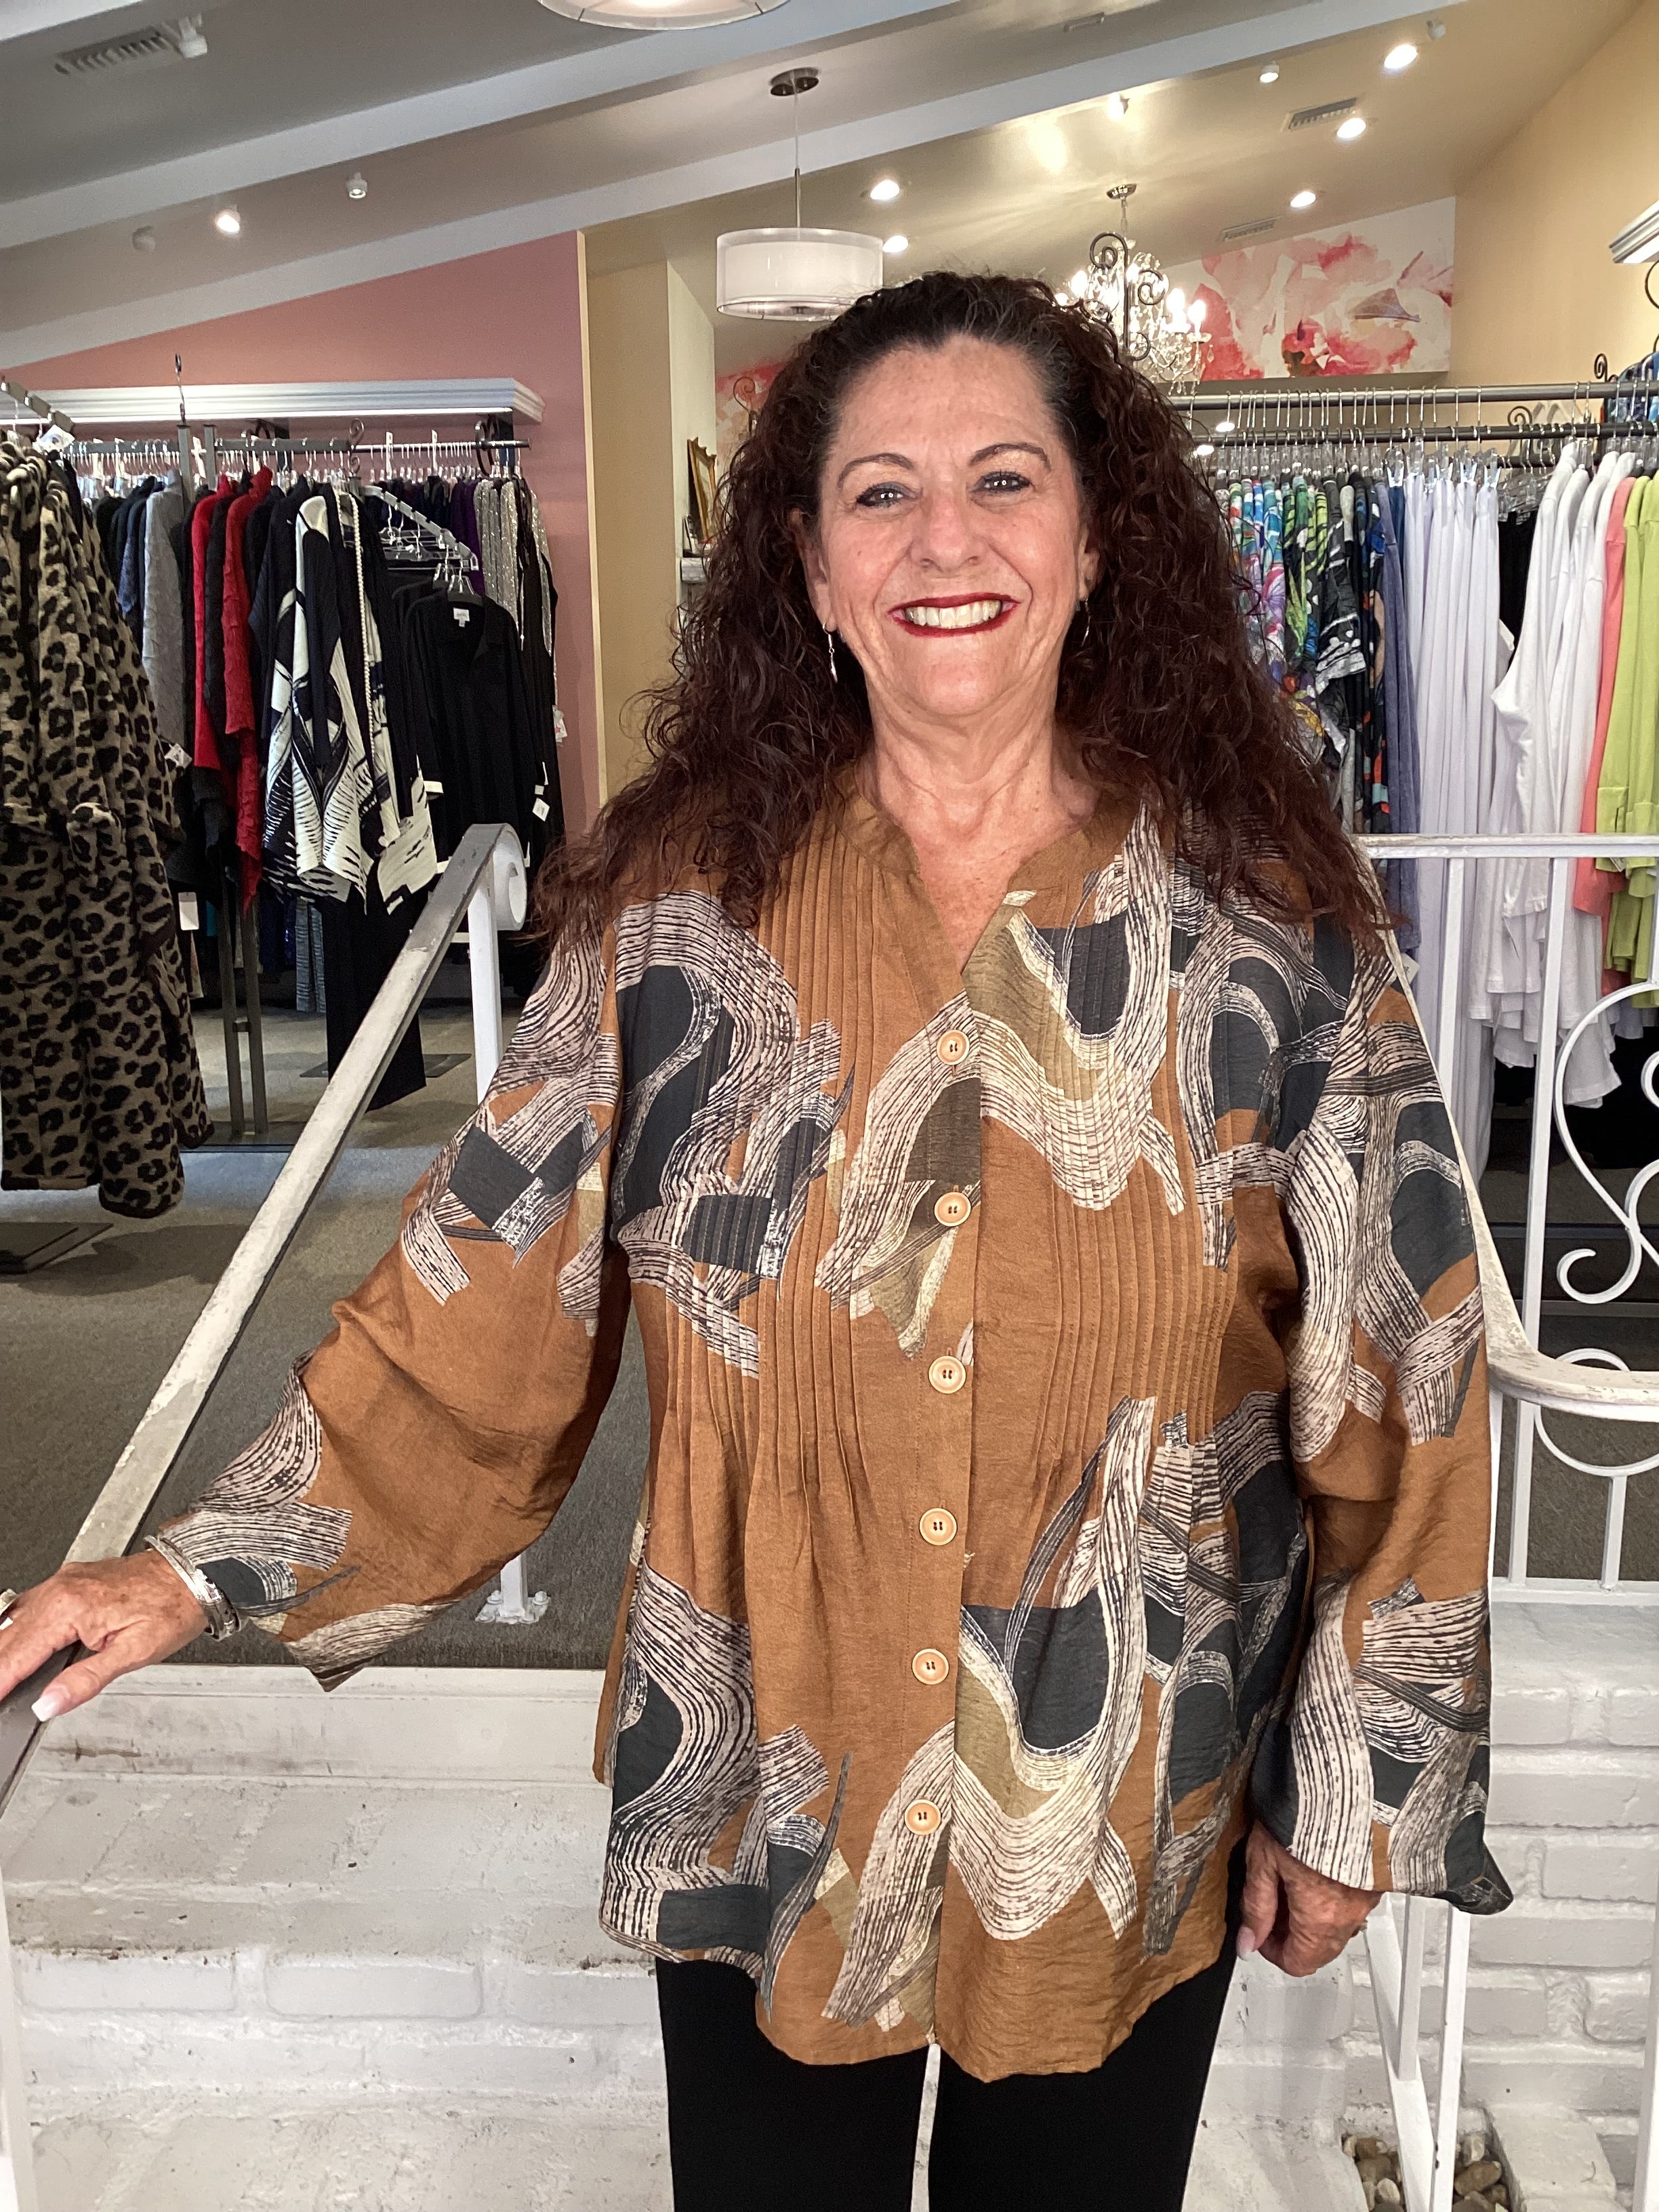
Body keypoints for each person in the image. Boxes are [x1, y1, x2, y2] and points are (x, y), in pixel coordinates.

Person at [2, 273, 1507, 2210]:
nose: (945, 540)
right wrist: (197, 1568)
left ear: (1095, 539)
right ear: (806, 569)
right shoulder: (675, 920)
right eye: (881, 493)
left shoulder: (1272, 928)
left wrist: (1363, 1782)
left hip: (1127, 1799)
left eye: (1004, 480)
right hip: (767, 1792)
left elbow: (1408, 1367)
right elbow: (481, 1301)